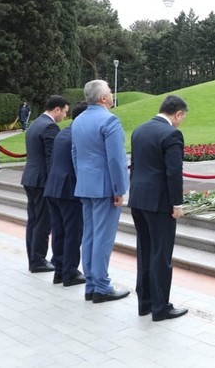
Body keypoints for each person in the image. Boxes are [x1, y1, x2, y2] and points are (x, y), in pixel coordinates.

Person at [128, 95, 189, 321]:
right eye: (182, 118)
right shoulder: (172, 134)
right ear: (178, 114)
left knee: (144, 251)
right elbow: (174, 172)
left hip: (138, 199)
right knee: (161, 254)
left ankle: (144, 302)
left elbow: (135, 166)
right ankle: (161, 306)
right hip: (160, 203)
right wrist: (177, 204)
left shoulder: (140, 130)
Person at [72, 80, 130, 303]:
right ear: (103, 98)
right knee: (103, 238)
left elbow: (75, 154)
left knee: (89, 235)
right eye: (110, 92)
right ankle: (102, 286)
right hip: (105, 187)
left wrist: (82, 180)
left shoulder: (78, 121)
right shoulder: (109, 120)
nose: (112, 95)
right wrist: (120, 188)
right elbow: (116, 159)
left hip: (85, 185)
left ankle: (91, 285)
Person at [20, 95, 69, 273]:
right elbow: (51, 158)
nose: (64, 116)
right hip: (41, 180)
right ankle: (38, 260)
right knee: (43, 221)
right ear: (56, 109)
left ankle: (33, 258)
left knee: (33, 220)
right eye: (64, 112)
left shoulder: (35, 123)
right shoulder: (50, 126)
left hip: (30, 177)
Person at [43, 101, 89, 287]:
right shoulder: (79, 135)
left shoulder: (63, 132)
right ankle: (70, 272)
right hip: (68, 190)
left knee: (59, 231)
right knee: (73, 232)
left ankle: (60, 270)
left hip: (53, 187)